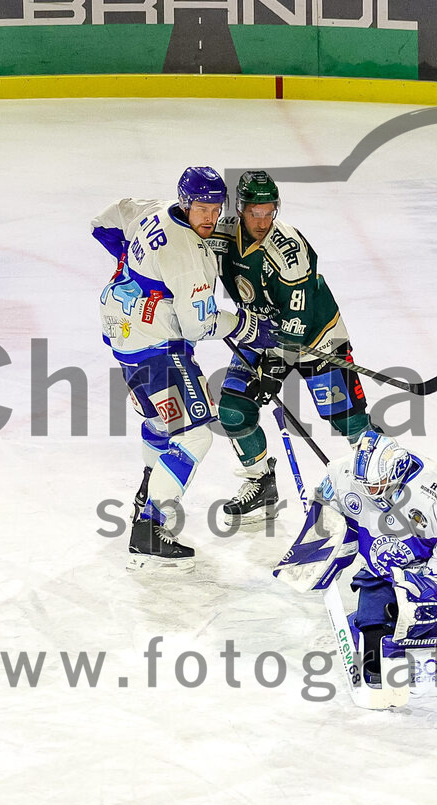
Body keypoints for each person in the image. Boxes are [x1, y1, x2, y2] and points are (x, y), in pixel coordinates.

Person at [94, 167, 279, 570]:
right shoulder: (187, 254)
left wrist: (132, 266)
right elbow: (200, 324)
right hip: (159, 347)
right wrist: (249, 327)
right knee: (195, 434)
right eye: (201, 208)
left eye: (215, 208)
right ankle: (148, 526)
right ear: (184, 202)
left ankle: (147, 493)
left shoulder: (153, 209)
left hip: (124, 333)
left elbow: (107, 218)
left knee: (161, 424)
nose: (209, 217)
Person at [206, 171, 376, 527]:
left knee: (349, 420)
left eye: (269, 212)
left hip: (316, 336)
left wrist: (274, 368)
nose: (263, 221)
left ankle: (384, 485)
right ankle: (260, 482)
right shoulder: (221, 234)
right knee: (234, 411)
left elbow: (297, 322)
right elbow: (188, 254)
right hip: (260, 331)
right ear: (240, 208)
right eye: (255, 212)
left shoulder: (289, 250)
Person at [308, 431, 437, 682]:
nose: (368, 492)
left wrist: (420, 594)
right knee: (374, 650)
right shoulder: (343, 475)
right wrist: (322, 540)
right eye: (364, 485)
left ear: (396, 473)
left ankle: (408, 622)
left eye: (374, 485)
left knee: (423, 640)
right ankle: (367, 623)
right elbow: (322, 526)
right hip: (384, 571)